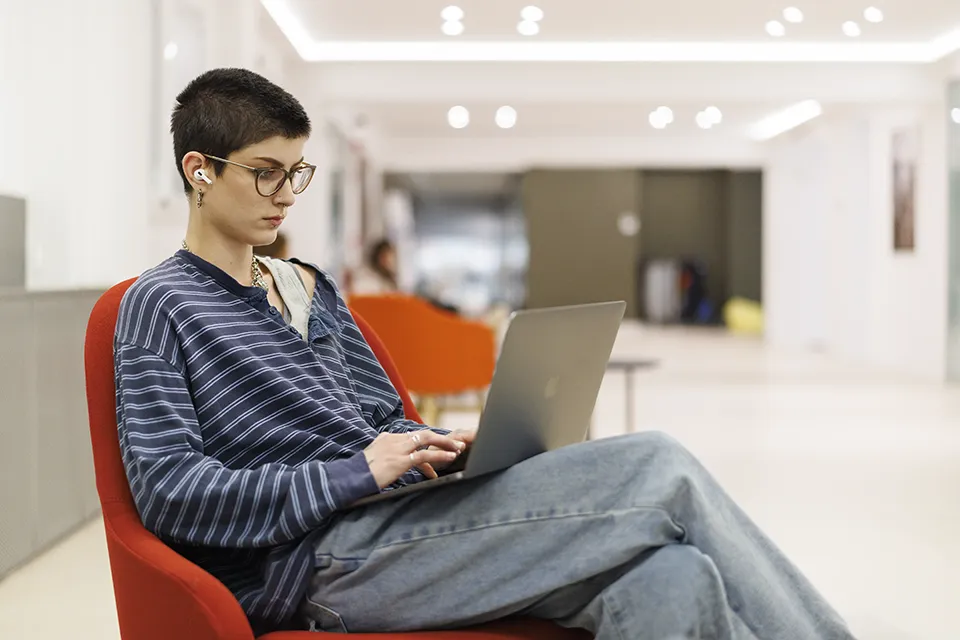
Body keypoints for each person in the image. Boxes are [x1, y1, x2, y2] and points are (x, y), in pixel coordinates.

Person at [114, 68, 856, 639]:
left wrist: (429, 446)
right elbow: (174, 493)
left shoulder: (307, 287)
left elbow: (384, 416)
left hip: (398, 519)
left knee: (674, 578)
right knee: (658, 465)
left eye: (296, 172)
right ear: (199, 170)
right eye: (265, 172)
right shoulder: (161, 305)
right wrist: (355, 471)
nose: (286, 193)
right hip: (322, 559)